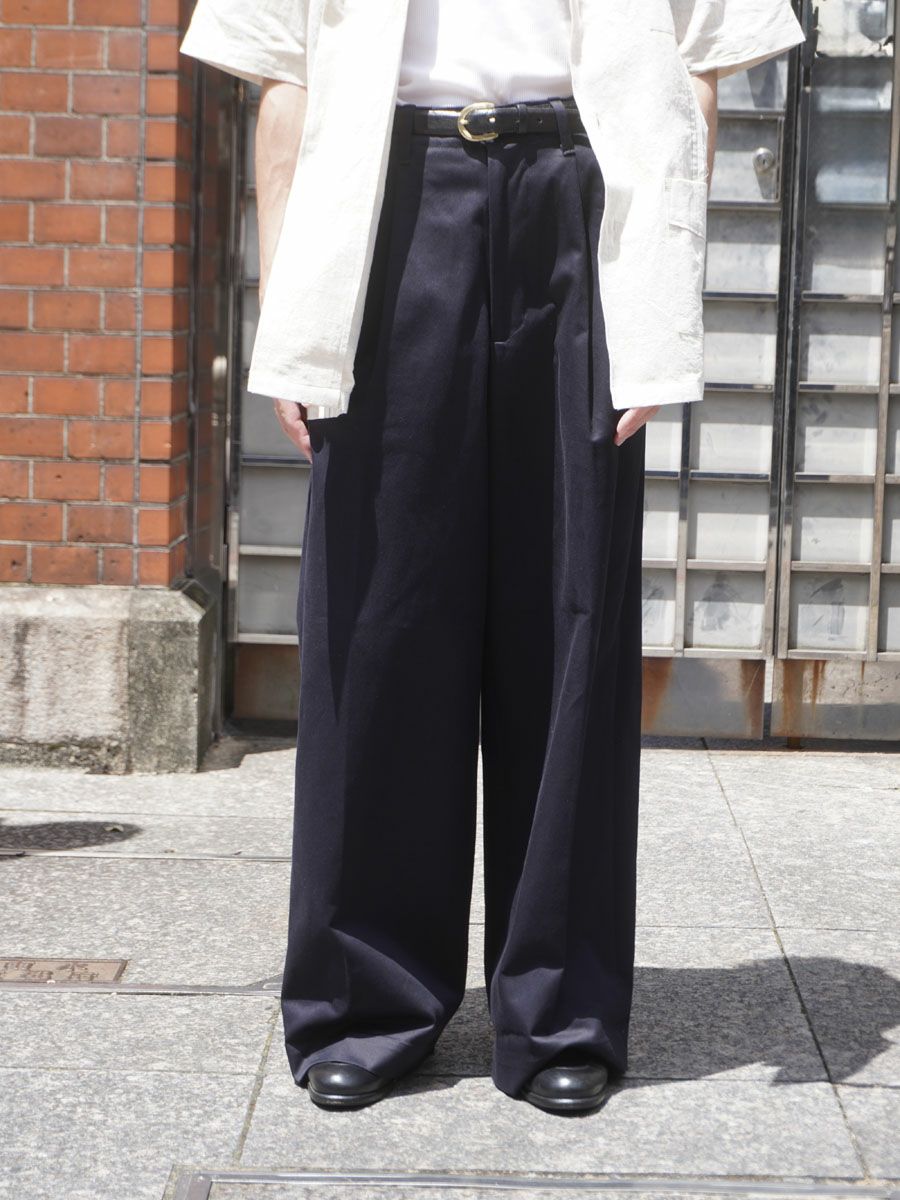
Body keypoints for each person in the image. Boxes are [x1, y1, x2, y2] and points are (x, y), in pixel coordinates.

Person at [180, 0, 806, 1114]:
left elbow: (696, 74)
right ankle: (364, 999)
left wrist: (658, 292)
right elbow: (284, 82)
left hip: (581, 196)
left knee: (571, 614)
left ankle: (561, 1005)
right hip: (386, 202)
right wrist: (293, 308)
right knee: (379, 615)